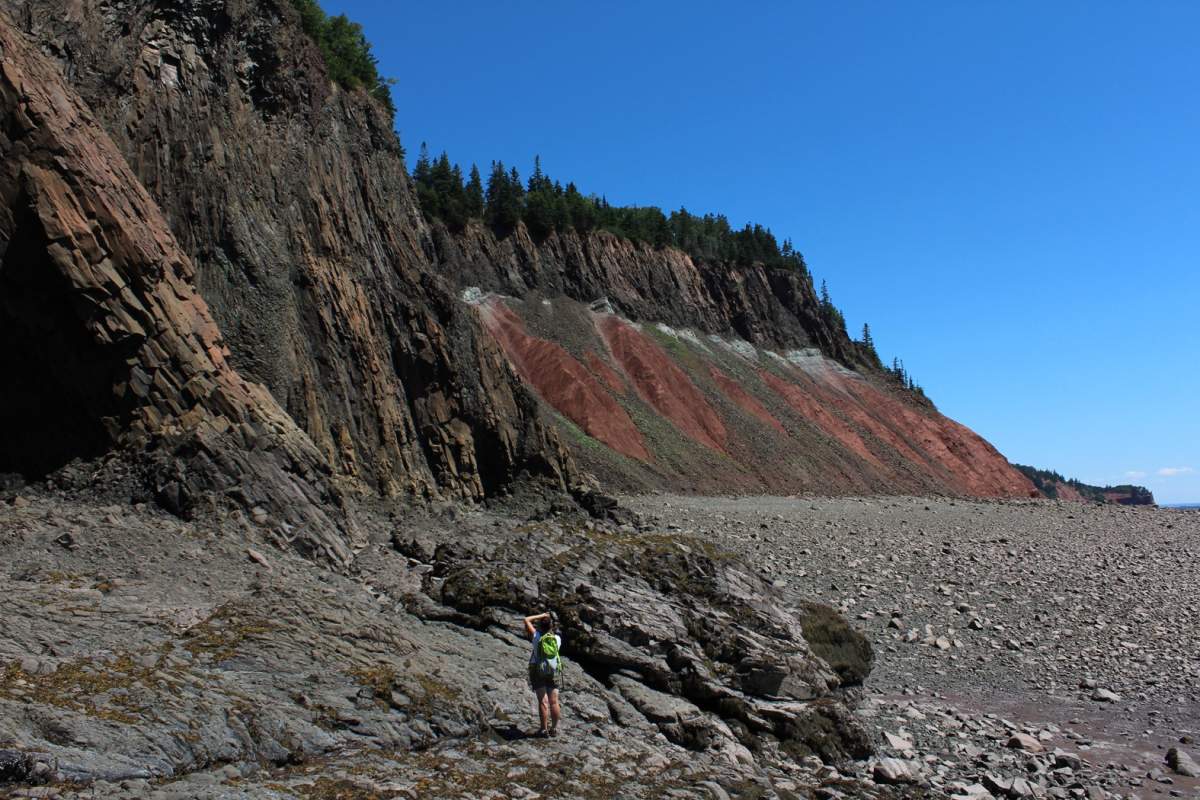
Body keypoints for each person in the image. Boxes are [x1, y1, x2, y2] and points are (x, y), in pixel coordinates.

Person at [523, 611, 561, 737]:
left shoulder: (536, 636)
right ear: (551, 626)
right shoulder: (557, 639)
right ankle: (554, 729)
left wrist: (541, 615)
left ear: (540, 626)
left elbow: (526, 619)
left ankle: (543, 730)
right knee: (554, 702)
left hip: (537, 668)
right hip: (553, 669)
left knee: (543, 701)